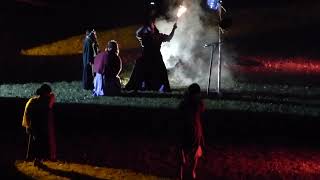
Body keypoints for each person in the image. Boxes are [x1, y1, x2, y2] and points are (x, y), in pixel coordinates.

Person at [125, 15, 177, 92]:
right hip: (146, 57)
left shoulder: (158, 36)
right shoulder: (146, 36)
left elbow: (169, 37)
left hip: (156, 58)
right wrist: (144, 27)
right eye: (150, 24)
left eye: (152, 24)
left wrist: (174, 28)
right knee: (140, 72)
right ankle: (139, 87)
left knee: (162, 74)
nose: (152, 25)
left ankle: (161, 88)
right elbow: (137, 34)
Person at [22, 84, 56, 164]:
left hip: (34, 126)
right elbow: (52, 99)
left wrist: (28, 125)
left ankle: (36, 158)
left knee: (35, 143)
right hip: (39, 126)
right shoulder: (45, 102)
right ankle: (38, 159)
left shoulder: (33, 101)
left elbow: (27, 113)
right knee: (39, 143)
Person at [178, 83, 205, 180]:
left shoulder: (188, 103)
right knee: (189, 156)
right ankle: (188, 173)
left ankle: (187, 173)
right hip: (191, 131)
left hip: (191, 131)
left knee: (188, 155)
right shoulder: (197, 103)